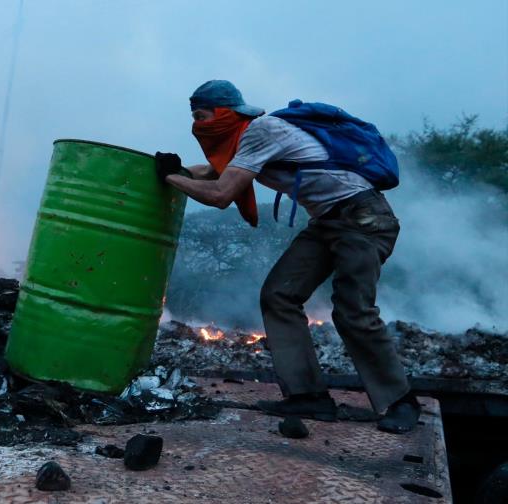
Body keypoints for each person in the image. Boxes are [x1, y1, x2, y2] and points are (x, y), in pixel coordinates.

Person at [156, 79, 420, 434]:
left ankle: (400, 402)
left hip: (363, 218)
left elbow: (220, 194)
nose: (197, 126)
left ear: (224, 113)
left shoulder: (261, 131)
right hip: (328, 220)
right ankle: (308, 396)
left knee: (353, 309)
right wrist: (176, 170)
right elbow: (216, 171)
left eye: (201, 117)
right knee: (279, 295)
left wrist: (171, 179)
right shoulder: (244, 140)